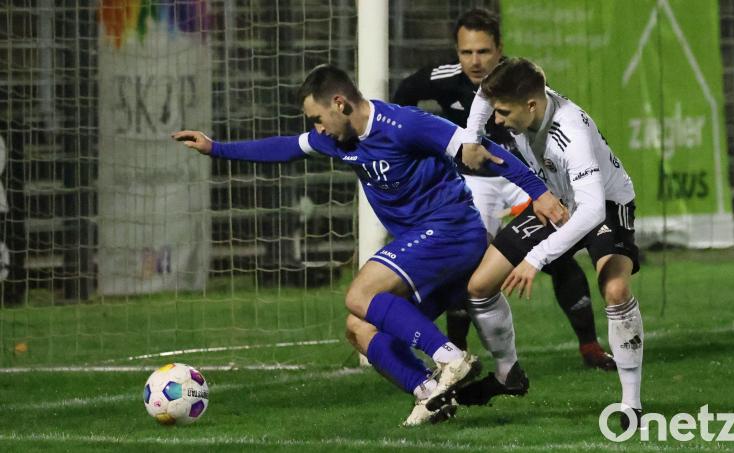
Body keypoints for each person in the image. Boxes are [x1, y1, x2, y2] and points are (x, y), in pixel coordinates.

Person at [172, 64, 567, 426]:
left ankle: (451, 358)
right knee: (358, 327)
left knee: (360, 293)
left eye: (318, 118)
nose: (318, 129)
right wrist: (215, 147)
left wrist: (539, 193)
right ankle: (430, 395)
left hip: (452, 230)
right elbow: (285, 148)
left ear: (340, 103)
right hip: (426, 248)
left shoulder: (403, 124)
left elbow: (482, 150)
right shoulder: (338, 139)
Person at [392, 8, 615, 404]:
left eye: (483, 51)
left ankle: (589, 346)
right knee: (471, 271)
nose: (475, 61)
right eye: (466, 52)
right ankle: (459, 357)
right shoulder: (443, 80)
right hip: (477, 186)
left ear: (500, 51)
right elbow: (401, 102)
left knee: (562, 259)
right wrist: (444, 146)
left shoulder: (521, 88)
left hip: (524, 180)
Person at [436, 58, 645, 429]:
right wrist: (472, 134)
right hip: (556, 200)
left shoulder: (571, 133)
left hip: (605, 205)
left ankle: (631, 404)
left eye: (503, 113)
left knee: (614, 289)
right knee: (479, 286)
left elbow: (592, 210)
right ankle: (507, 375)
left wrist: (536, 257)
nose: (497, 121)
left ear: (531, 106)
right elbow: (486, 96)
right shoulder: (522, 100)